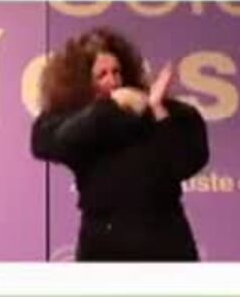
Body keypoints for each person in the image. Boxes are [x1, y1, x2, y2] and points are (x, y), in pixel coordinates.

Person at [30, 25, 209, 262]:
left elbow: (185, 162)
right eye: (102, 75)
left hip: (166, 240)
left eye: (116, 72)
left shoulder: (156, 110)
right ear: (82, 82)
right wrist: (111, 106)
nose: (113, 81)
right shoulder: (75, 120)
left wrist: (157, 110)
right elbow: (48, 143)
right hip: (103, 243)